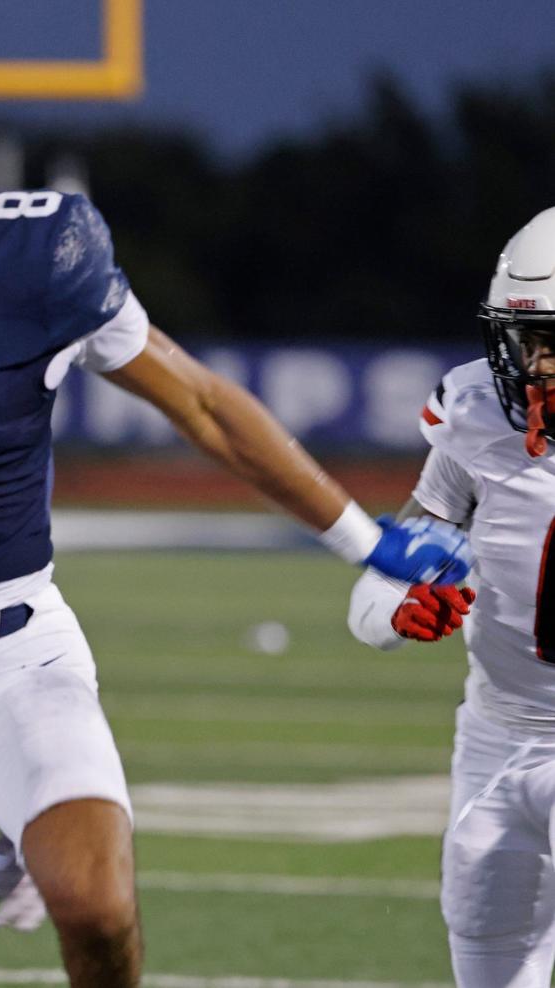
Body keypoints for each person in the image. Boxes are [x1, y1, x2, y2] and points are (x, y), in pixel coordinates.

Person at [0, 36, 473, 987]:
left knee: (97, 909)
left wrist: (362, 538)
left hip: (14, 654)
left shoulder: (40, 254)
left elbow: (204, 405)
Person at [346, 206, 555, 988]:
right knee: (486, 952)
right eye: (528, 342)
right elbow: (384, 586)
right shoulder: (475, 418)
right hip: (495, 735)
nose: (535, 368)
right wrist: (399, 610)